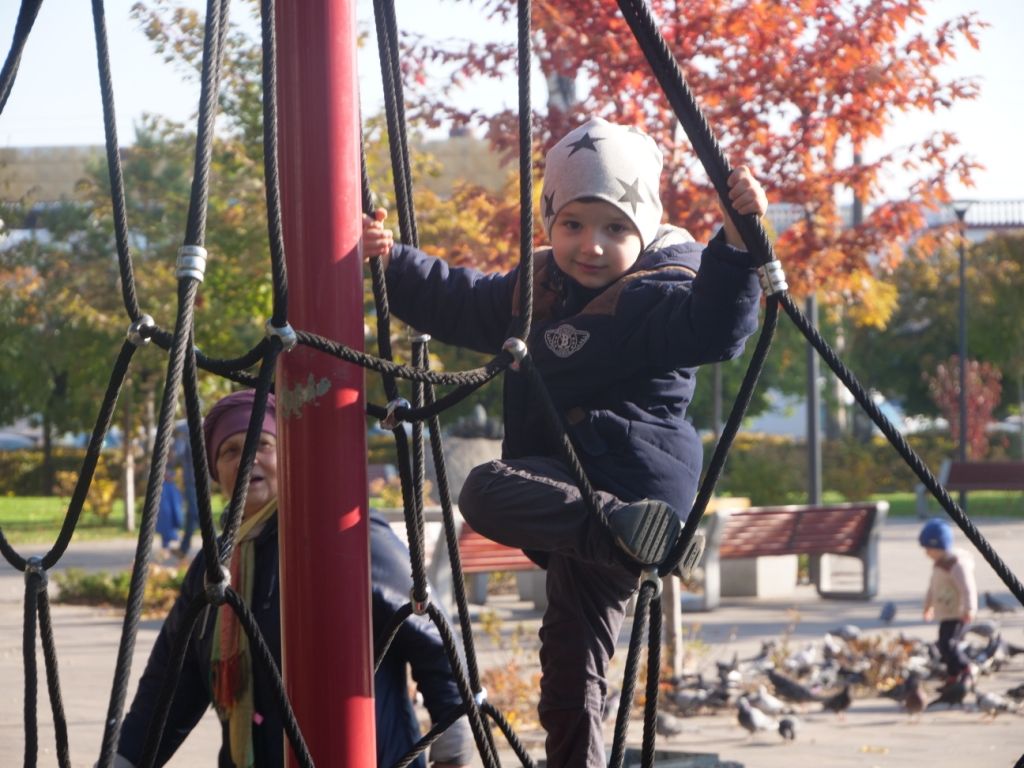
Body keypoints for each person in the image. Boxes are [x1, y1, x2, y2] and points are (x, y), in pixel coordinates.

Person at [362, 116, 767, 767]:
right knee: (570, 666)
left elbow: (715, 328)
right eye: (573, 224)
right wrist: (388, 261)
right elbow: (454, 299)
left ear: (643, 229)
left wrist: (738, 243)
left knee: (481, 488)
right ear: (551, 220)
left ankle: (635, 532)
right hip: (582, 506)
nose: (591, 245)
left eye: (614, 228)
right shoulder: (535, 288)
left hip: (637, 489)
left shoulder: (662, 291)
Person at [115, 390, 473, 768]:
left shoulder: (343, 532)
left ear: (289, 453)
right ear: (216, 473)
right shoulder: (215, 567)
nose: (246, 458)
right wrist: (126, 759)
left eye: (262, 444)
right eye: (230, 451)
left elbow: (427, 630)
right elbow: (170, 682)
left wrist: (454, 726)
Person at [919, 517, 977, 688]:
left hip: (958, 613)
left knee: (949, 644)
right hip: (945, 612)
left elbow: (968, 588)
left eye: (928, 548)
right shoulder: (939, 565)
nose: (926, 553)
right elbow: (932, 587)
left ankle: (966, 668)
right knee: (943, 646)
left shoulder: (956, 565)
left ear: (939, 546)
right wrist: (927, 606)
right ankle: (953, 675)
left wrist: (969, 609)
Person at [170, 420, 200, 557]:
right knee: (192, 513)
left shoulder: (184, 433)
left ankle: (220, 543)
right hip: (200, 479)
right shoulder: (203, 428)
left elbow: (177, 456)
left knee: (195, 512)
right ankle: (184, 548)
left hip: (192, 479)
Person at [155, 470, 183, 555]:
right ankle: (171, 549)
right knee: (170, 533)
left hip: (166, 513)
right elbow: (176, 503)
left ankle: (165, 549)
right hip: (168, 513)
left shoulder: (166, 487)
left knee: (167, 533)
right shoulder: (170, 487)